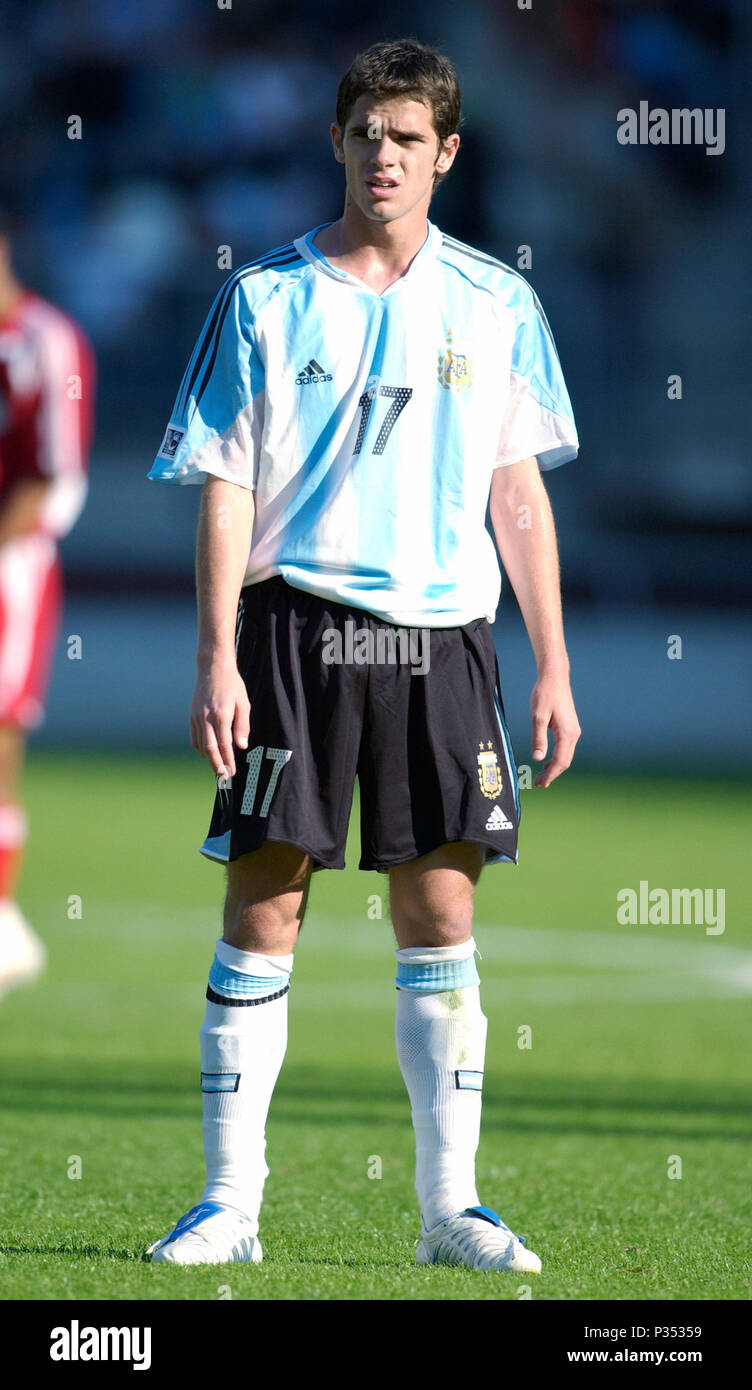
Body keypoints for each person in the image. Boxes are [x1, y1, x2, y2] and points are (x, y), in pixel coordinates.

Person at [146, 38, 580, 1272]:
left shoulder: (497, 302)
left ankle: (452, 1210)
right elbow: (225, 485)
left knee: (438, 908)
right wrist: (214, 656)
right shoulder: (265, 297)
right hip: (291, 631)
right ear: (332, 144)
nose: (381, 157)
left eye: (405, 137)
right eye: (362, 135)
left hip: (445, 638)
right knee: (263, 900)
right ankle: (229, 1205)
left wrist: (550, 663)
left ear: (446, 152)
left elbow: (518, 497)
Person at [0, 212, 93, 998]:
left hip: (10, 569)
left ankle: (1, 922)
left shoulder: (44, 341)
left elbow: (52, 475)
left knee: (0, 732)